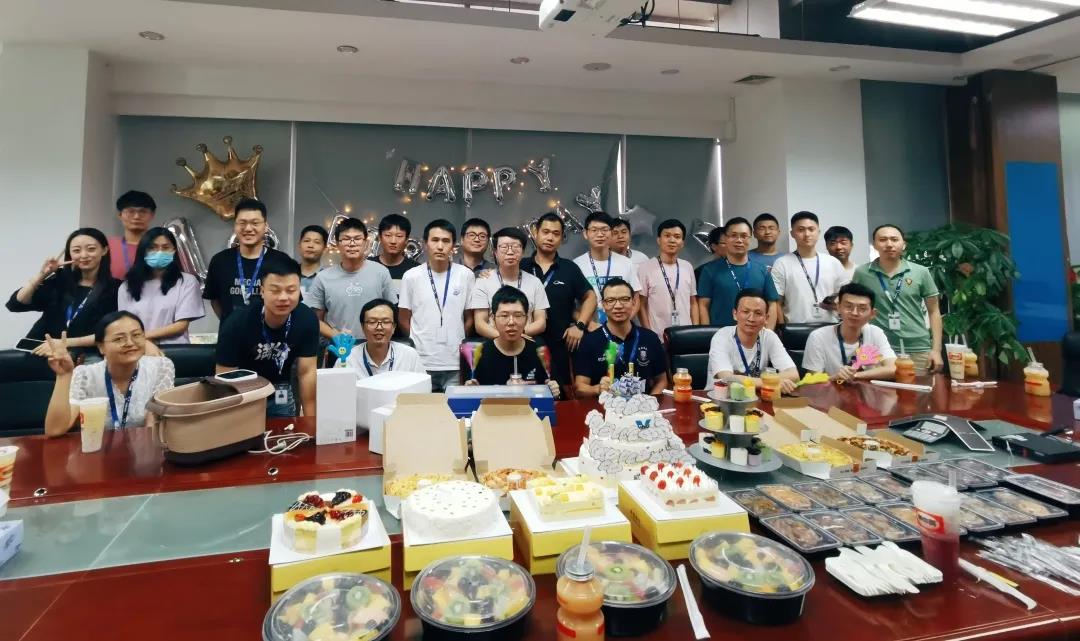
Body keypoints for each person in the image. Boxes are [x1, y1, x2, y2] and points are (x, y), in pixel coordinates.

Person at [42, 312, 175, 436]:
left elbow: (154, 425)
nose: (130, 343)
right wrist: (63, 376)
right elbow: (55, 430)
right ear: (101, 347)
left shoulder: (161, 367)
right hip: (98, 448)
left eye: (136, 335)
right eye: (119, 339)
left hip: (143, 446)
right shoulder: (85, 375)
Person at [215, 258, 319, 417]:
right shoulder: (237, 323)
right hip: (244, 392)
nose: (283, 297)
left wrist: (311, 422)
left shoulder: (307, 320)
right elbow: (225, 379)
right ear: (262, 291)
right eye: (275, 290)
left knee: (285, 430)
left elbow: (306, 372)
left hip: (281, 390)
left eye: (291, 290)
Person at [9, 227, 118, 353]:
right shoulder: (60, 279)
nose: (83, 255)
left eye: (91, 249)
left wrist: (64, 343)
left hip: (82, 355)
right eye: (76, 250)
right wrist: (42, 274)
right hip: (40, 349)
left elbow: (111, 333)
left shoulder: (115, 288)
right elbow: (16, 304)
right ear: (70, 254)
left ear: (104, 250)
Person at [852, 224, 943, 373]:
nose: (889, 244)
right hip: (875, 348)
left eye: (894, 239)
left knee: (917, 387)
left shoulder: (920, 272)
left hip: (917, 347)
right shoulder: (862, 273)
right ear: (875, 245)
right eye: (883, 240)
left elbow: (934, 311)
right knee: (874, 388)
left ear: (904, 244)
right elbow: (855, 309)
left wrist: (936, 350)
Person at [399, 219, 476, 392]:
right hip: (421, 361)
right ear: (425, 244)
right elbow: (404, 318)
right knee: (423, 407)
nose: (440, 246)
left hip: (455, 361)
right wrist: (418, 341)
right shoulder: (411, 276)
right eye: (435, 240)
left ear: (453, 246)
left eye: (446, 241)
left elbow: (469, 318)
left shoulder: (466, 275)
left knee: (453, 407)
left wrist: (457, 338)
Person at [522, 212, 597, 388]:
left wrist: (580, 326)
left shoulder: (569, 268)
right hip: (525, 343)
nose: (550, 237)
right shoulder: (521, 266)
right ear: (535, 233)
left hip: (560, 345)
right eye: (545, 232)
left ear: (562, 238)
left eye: (556, 234)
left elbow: (590, 297)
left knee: (561, 394)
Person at [574, 278, 668, 397]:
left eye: (624, 299)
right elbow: (579, 388)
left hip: (643, 405)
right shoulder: (589, 341)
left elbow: (661, 381)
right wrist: (597, 389)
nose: (618, 306)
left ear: (633, 302)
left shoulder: (650, 338)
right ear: (603, 305)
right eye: (611, 300)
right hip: (605, 406)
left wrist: (649, 402)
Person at [203, 198, 292, 320]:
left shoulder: (281, 261)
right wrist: (231, 324)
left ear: (266, 226)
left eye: (255, 223)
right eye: (242, 223)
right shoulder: (219, 261)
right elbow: (215, 301)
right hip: (231, 331)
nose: (248, 228)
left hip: (270, 331)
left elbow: (290, 300)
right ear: (235, 226)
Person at [307, 217, 393, 341]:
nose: (352, 244)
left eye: (357, 239)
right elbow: (315, 319)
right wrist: (335, 335)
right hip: (338, 345)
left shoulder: (381, 272)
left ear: (365, 243)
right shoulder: (323, 277)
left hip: (374, 344)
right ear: (337, 244)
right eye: (346, 239)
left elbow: (391, 313)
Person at [466, 286, 560, 398]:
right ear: (493, 319)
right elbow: (471, 398)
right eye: (504, 316)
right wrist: (470, 392)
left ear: (526, 319)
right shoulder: (479, 354)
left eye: (518, 315)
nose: (511, 322)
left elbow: (558, 394)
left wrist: (554, 391)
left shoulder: (539, 351)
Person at [117, 227, 205, 344]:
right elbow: (124, 324)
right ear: (143, 251)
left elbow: (181, 325)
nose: (159, 252)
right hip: (137, 349)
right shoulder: (127, 286)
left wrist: (142, 337)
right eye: (152, 247)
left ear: (174, 251)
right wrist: (142, 341)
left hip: (173, 350)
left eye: (165, 247)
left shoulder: (187, 281)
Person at [706, 289, 798, 393]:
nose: (751, 318)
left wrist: (764, 382)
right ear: (735, 314)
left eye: (758, 313)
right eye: (746, 312)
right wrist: (770, 383)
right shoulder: (722, 337)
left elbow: (793, 375)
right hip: (720, 398)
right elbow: (727, 379)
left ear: (766, 318)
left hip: (755, 397)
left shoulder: (769, 336)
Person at [802, 283, 897, 382]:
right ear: (838, 308)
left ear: (872, 314)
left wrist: (855, 375)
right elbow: (813, 382)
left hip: (865, 391)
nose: (854, 313)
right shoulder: (818, 337)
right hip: (831, 391)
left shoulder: (875, 333)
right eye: (848, 306)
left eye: (862, 308)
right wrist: (835, 377)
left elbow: (894, 369)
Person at [697, 218, 779, 329]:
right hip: (720, 334)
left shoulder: (762, 270)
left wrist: (768, 333)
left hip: (756, 334)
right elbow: (703, 305)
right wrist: (707, 334)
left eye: (744, 236)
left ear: (750, 238)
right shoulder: (710, 270)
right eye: (734, 235)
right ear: (726, 238)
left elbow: (772, 304)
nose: (739, 240)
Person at [771, 211, 849, 325]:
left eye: (811, 229)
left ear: (818, 232)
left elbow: (847, 296)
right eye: (801, 230)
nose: (807, 234)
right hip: (795, 328)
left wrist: (836, 304)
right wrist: (782, 328)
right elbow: (776, 302)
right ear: (792, 233)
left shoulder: (833, 262)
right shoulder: (782, 263)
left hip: (830, 327)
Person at [469, 227, 549, 339]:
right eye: (504, 247)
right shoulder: (483, 282)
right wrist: (504, 339)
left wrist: (518, 336)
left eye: (516, 247)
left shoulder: (535, 282)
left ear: (523, 251)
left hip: (526, 343)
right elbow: (480, 323)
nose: (510, 252)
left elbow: (541, 322)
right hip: (494, 344)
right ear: (495, 252)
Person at [573, 212, 642, 324]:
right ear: (585, 233)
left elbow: (636, 299)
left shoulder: (626, 263)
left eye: (604, 230)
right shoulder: (576, 265)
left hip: (621, 329)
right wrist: (588, 325)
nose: (600, 234)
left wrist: (621, 324)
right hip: (589, 328)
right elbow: (570, 305)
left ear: (611, 233)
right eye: (594, 230)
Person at [637, 219, 699, 336]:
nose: (672, 240)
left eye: (677, 237)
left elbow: (693, 302)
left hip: (687, 335)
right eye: (667, 236)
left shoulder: (687, 266)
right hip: (658, 336)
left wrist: (695, 330)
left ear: (682, 242)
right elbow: (641, 305)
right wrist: (649, 334)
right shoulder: (645, 268)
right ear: (658, 240)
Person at [345, 298, 425, 378]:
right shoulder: (348, 359)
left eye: (386, 322)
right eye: (372, 322)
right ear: (362, 327)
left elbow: (422, 385)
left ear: (394, 327)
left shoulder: (409, 356)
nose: (379, 327)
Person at [107, 190, 157, 280]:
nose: (136, 216)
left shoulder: (162, 247)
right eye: (130, 211)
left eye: (143, 212)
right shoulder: (106, 246)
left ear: (152, 215)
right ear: (120, 215)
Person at [375, 213, 419, 304]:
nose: (393, 241)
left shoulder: (416, 270)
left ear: (406, 240)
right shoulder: (368, 266)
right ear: (380, 238)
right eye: (388, 235)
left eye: (399, 236)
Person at [297, 224, 328, 298]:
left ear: (325, 249)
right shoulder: (287, 275)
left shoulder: (330, 277)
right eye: (306, 241)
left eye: (317, 242)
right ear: (299, 246)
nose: (310, 245)